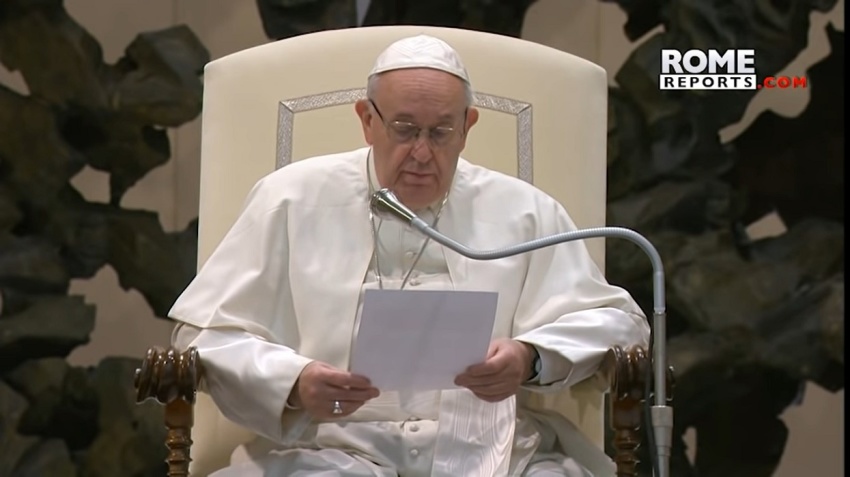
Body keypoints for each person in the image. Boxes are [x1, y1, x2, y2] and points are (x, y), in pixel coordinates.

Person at [168, 34, 650, 477]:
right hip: (331, 450)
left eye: (441, 132)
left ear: (468, 126)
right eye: (404, 129)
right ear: (367, 120)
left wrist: (530, 358)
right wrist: (295, 382)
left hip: (497, 453)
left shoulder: (525, 210)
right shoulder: (290, 198)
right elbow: (201, 337)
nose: (422, 153)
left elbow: (618, 322)